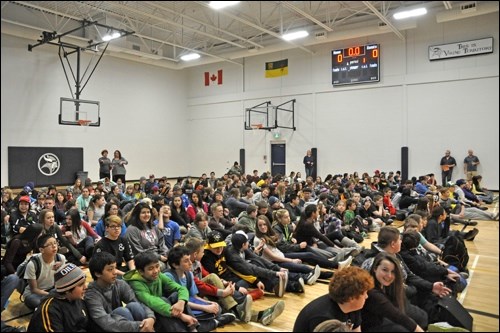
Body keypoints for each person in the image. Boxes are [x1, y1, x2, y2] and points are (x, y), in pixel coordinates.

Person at [123, 251, 199, 331]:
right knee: (162, 301)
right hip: (149, 316)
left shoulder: (158, 275)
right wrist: (181, 315)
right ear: (141, 271)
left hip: (165, 310)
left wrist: (181, 301)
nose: (156, 271)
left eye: (157, 266)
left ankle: (193, 326)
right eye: (150, 268)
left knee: (176, 295)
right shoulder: (135, 283)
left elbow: (181, 288)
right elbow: (152, 302)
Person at [85, 251, 156, 332]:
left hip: (126, 325)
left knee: (134, 306)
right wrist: (140, 326)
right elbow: (106, 322)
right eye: (110, 269)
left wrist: (150, 318)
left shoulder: (119, 283)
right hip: (106, 328)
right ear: (97, 273)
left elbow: (138, 302)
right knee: (122, 311)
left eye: (115, 268)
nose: (115, 272)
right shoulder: (91, 295)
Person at [293, 266, 374, 332]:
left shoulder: (353, 308)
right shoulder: (323, 318)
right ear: (351, 298)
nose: (366, 296)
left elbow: (356, 330)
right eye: (364, 293)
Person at [362, 252, 424, 332]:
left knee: (421, 317)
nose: (389, 275)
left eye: (393, 271)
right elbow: (396, 315)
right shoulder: (372, 292)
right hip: (368, 327)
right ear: (375, 268)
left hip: (379, 321)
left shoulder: (387, 285)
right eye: (385, 270)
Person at [27, 263, 88, 332]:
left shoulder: (78, 299)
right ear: (67, 290)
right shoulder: (50, 310)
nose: (85, 287)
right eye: (80, 285)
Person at [22, 234, 66, 310]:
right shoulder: (33, 264)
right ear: (41, 250)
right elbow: (34, 289)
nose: (54, 246)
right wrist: (52, 295)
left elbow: (63, 280)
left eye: (55, 243)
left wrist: (62, 267)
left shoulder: (60, 258)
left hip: (52, 289)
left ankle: (51, 306)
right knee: (33, 300)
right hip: (35, 294)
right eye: (49, 244)